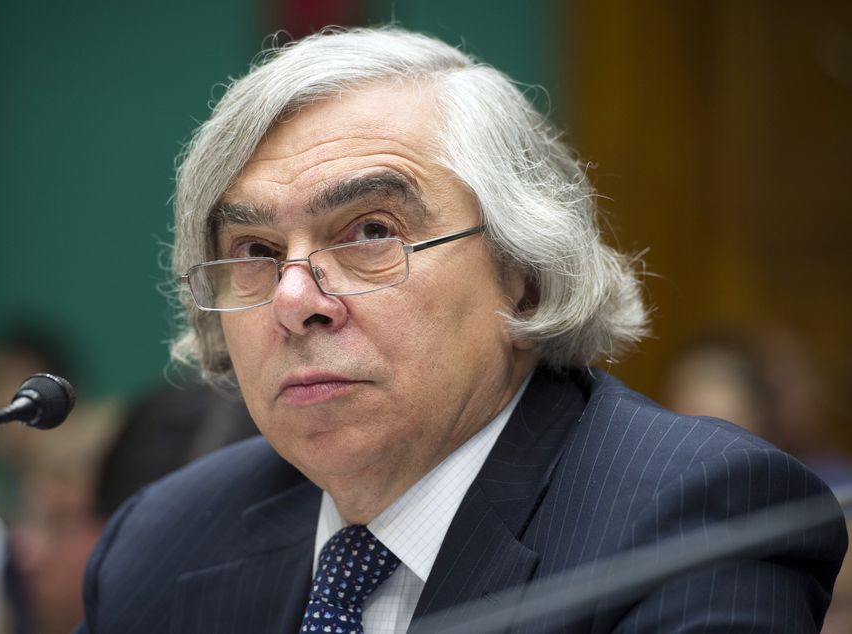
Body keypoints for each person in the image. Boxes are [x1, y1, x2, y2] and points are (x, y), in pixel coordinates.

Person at [76, 27, 847, 633]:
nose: (295, 298)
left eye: (371, 232)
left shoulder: (691, 519)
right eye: (254, 252)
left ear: (523, 268)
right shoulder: (161, 541)